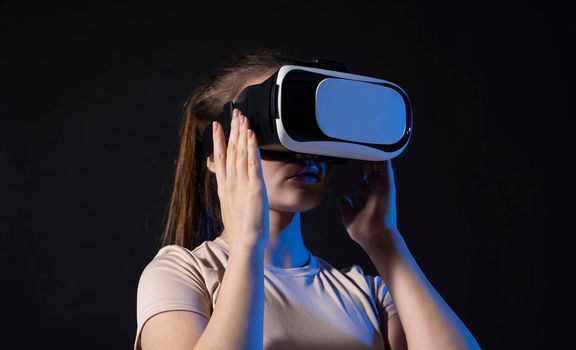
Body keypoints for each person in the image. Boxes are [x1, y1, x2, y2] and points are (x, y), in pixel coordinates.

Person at [134, 48, 481, 350]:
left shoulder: (367, 293)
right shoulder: (183, 274)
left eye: (313, 133)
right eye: (278, 131)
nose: (304, 154)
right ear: (216, 152)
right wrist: (246, 243)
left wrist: (384, 242)